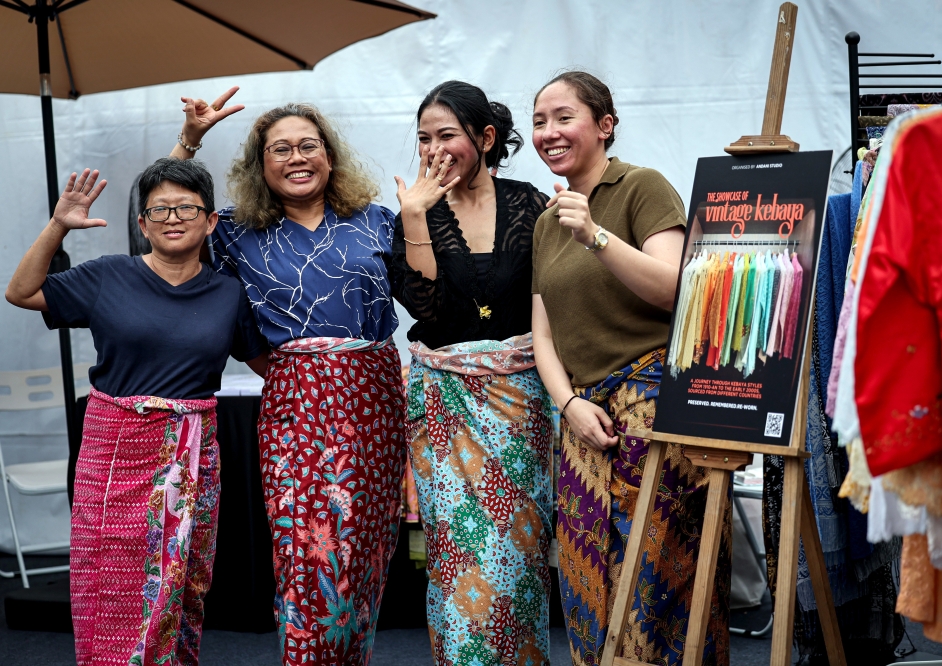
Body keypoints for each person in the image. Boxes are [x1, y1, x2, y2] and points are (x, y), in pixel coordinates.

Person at [171, 91, 406, 665]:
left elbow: (427, 296)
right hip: (297, 409)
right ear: (261, 163)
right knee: (309, 553)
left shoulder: (378, 221)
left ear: (329, 155)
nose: (296, 157)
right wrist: (188, 143)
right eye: (280, 149)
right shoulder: (233, 230)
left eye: (308, 145)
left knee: (364, 557)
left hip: (377, 406)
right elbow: (166, 224)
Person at [5, 159, 268, 665]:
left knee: (181, 583)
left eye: (187, 208)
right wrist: (58, 224)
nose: (173, 218)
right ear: (143, 224)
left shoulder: (228, 293)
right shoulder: (109, 275)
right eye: (159, 210)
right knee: (108, 580)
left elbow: (269, 366)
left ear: (210, 221)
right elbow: (21, 292)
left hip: (192, 459)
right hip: (114, 454)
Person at [530, 71, 731, 665]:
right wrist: (569, 404)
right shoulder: (546, 221)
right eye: (539, 121)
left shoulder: (641, 186)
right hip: (582, 417)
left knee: (657, 578)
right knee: (586, 579)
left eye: (563, 117)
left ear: (605, 125)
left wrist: (594, 235)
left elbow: (674, 289)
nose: (548, 132)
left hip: (653, 403)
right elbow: (544, 334)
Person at [391, 80, 556, 666]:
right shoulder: (414, 212)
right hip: (445, 410)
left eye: (447, 135)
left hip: (521, 405)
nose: (434, 150)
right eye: (424, 139)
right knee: (459, 556)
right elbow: (428, 309)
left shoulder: (531, 204)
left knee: (519, 558)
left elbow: (555, 298)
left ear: (485, 138)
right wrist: (415, 216)